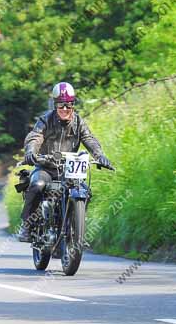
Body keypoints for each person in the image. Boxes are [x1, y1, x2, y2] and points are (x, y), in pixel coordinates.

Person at [18, 82, 113, 242]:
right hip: (46, 168)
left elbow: (89, 138)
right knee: (37, 186)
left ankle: (77, 225)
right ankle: (27, 225)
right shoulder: (45, 120)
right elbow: (35, 136)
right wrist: (31, 151)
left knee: (84, 191)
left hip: (69, 169)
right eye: (61, 105)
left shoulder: (78, 122)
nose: (64, 109)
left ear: (73, 105)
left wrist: (99, 155)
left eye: (68, 105)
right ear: (55, 105)